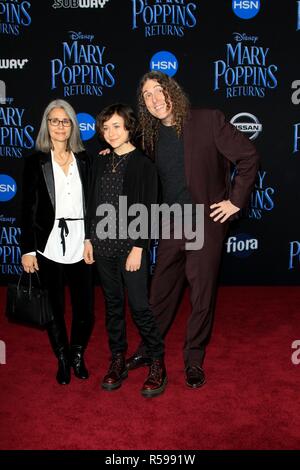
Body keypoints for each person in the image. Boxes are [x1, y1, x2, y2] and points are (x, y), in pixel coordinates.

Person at [125, 71, 260, 388]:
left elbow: (248, 156)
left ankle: (194, 359)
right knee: (160, 291)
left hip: (205, 220)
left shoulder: (208, 120)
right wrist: (113, 155)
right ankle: (148, 348)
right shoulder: (150, 135)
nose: (155, 99)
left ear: (172, 91)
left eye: (159, 90)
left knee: (201, 295)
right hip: (171, 221)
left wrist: (235, 201)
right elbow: (138, 164)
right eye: (147, 95)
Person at [83, 103, 166, 398]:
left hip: (130, 248)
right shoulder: (100, 161)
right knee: (113, 306)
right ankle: (117, 359)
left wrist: (138, 248)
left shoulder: (144, 165)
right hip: (102, 246)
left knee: (140, 307)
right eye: (105, 128)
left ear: (129, 127)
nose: (110, 133)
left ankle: (156, 360)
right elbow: (92, 204)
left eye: (116, 126)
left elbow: (149, 210)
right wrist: (89, 239)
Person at [20, 99, 94, 385]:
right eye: (54, 121)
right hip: (47, 243)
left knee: (85, 308)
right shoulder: (34, 161)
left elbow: (93, 203)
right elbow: (26, 208)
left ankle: (77, 354)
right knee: (53, 306)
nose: (60, 126)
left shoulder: (85, 160)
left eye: (66, 121)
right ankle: (62, 357)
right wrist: (27, 249)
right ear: (46, 125)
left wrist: (90, 237)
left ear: (73, 125)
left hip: (80, 242)